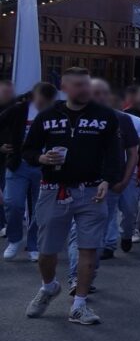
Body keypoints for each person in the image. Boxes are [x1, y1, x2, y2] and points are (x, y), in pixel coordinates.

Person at [20, 68, 126, 326]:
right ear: (64, 88)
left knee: (89, 249)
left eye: (86, 84)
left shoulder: (105, 117)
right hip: (54, 189)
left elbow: (114, 152)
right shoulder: (48, 116)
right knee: (47, 251)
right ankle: (48, 286)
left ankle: (79, 305)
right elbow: (28, 149)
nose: (84, 89)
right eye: (78, 85)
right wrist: (41, 158)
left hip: (91, 191)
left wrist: (107, 180)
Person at [90, 77, 140, 261]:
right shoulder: (86, 119)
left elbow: (134, 152)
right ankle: (108, 244)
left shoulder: (124, 120)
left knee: (129, 210)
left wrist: (125, 179)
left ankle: (127, 233)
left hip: (126, 174)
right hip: (102, 175)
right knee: (107, 210)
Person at [1, 81, 55, 261]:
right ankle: (14, 238)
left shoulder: (55, 113)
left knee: (40, 209)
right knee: (13, 203)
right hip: (18, 164)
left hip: (44, 166)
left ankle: (34, 244)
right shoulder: (18, 110)